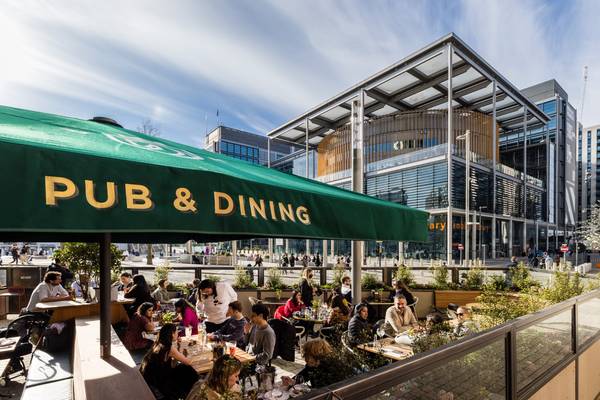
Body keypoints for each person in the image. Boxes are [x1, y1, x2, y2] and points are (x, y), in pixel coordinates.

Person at [140, 323, 198, 399]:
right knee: (187, 369)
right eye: (177, 332)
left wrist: (178, 351)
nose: (178, 333)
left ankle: (191, 391)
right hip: (158, 381)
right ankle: (193, 392)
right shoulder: (169, 348)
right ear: (172, 334)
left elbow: (172, 364)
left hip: (151, 377)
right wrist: (190, 355)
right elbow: (188, 362)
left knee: (183, 368)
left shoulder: (159, 343)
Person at [281, 339, 351, 389]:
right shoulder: (313, 364)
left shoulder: (331, 369)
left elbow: (323, 391)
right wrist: (293, 381)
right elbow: (305, 374)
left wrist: (307, 391)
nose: (304, 358)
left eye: (306, 355)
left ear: (315, 356)